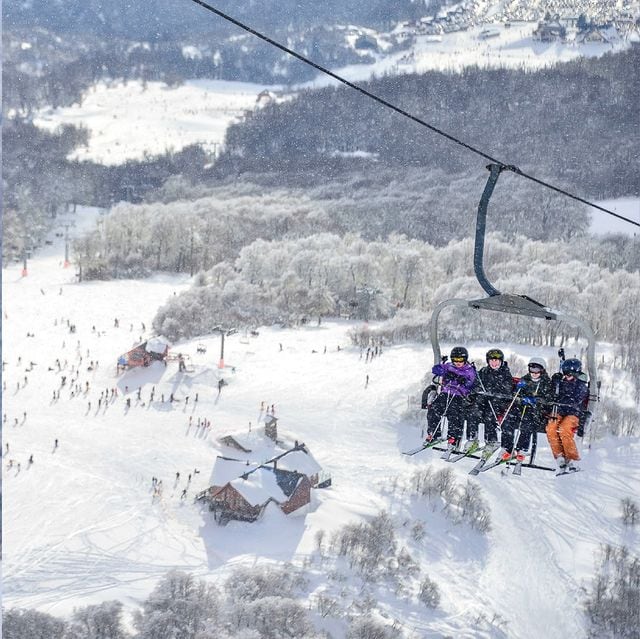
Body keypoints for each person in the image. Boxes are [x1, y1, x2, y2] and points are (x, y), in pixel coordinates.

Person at [425, 346, 476, 446]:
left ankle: (453, 437)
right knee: (434, 409)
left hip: (459, 395)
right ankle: (434, 433)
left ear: (465, 359)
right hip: (445, 393)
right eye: (455, 360)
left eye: (460, 360)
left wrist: (464, 381)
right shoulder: (449, 366)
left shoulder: (469, 370)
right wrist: (444, 371)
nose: (458, 362)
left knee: (454, 413)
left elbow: (472, 383)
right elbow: (435, 369)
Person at [506, 356, 553, 459]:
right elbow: (515, 394)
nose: (534, 373)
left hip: (537, 412)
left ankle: (522, 448)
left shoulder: (546, 382)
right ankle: (508, 448)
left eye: (537, 370)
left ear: (542, 370)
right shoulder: (525, 379)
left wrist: (536, 401)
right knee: (509, 419)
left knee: (527, 423)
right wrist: (519, 392)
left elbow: (549, 398)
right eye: (532, 369)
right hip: (522, 408)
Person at [546, 358, 588, 472]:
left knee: (564, 429)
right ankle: (559, 456)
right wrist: (555, 381)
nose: (567, 376)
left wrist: (562, 394)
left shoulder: (581, 384)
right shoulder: (561, 381)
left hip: (573, 413)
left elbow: (576, 399)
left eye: (570, 374)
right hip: (559, 410)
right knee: (551, 428)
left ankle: (572, 458)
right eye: (565, 374)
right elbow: (552, 393)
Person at [469, 349, 516, 451]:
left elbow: (507, 389)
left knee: (489, 414)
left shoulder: (505, 373)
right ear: (488, 361)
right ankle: (472, 438)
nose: (494, 363)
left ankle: (491, 440)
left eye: (497, 361)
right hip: (484, 400)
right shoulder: (484, 371)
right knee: (473, 412)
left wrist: (493, 391)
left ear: (501, 361)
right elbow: (476, 384)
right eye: (492, 361)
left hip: (498, 403)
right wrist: (477, 390)